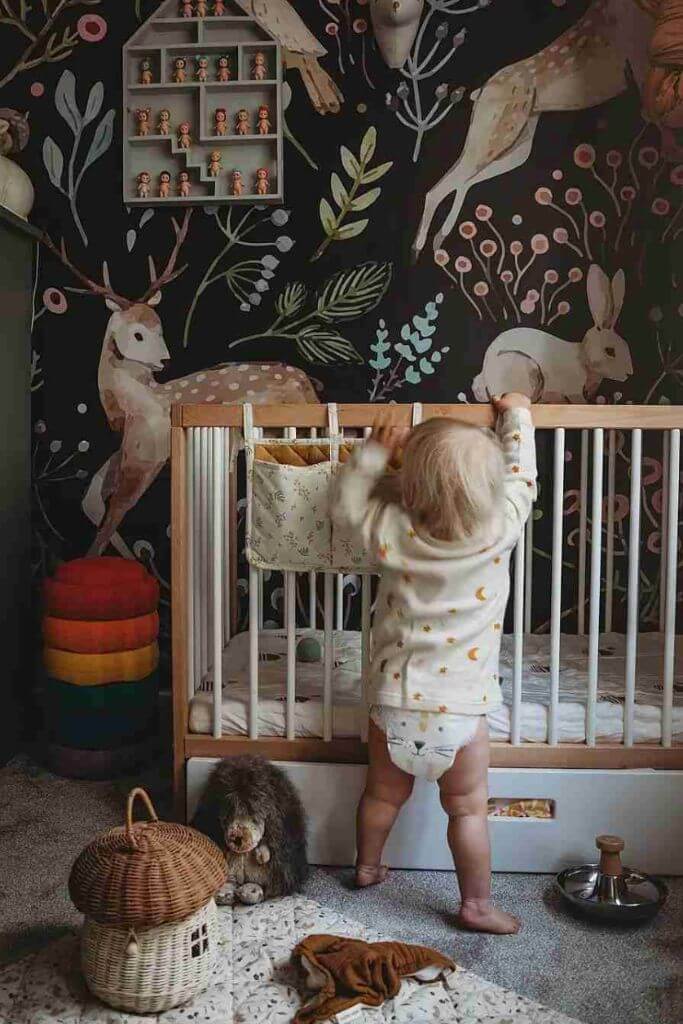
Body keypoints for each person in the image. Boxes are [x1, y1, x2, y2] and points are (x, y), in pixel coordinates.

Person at [331, 393, 537, 934]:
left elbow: (344, 509)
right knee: (467, 809)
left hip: (394, 703)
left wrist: (374, 454)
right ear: (487, 491)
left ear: (411, 488)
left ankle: (368, 866)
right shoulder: (500, 531)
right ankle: (475, 905)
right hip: (462, 714)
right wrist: (517, 414)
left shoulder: (393, 534)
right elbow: (523, 476)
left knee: (380, 793)